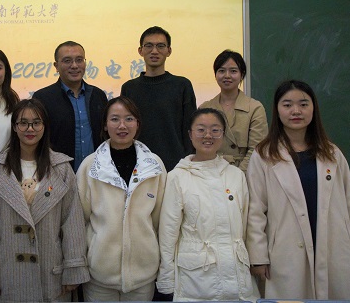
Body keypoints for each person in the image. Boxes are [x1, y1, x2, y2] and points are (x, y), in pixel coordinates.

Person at [246, 80, 350, 300]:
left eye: (303, 104)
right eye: (287, 105)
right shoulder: (264, 155)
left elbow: (349, 208)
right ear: (277, 110)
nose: (296, 111)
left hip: (333, 246)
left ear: (313, 108)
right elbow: (255, 211)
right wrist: (258, 257)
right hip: (286, 249)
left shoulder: (332, 154)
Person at [0, 99, 90, 302]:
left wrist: (73, 267)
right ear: (14, 127)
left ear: (44, 126)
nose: (30, 129)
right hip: (9, 272)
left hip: (51, 272)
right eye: (23, 123)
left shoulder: (61, 168)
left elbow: (72, 222)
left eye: (36, 123)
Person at [157, 107, 258, 302]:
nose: (208, 135)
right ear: (190, 134)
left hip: (238, 278)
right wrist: (167, 279)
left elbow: (246, 226)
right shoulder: (177, 177)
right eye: (201, 130)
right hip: (196, 282)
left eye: (215, 130)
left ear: (223, 134)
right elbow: (168, 234)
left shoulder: (236, 175)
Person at [77, 96, 167, 301]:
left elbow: (160, 219)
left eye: (129, 119)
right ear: (105, 125)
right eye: (115, 119)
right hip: (99, 275)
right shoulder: (90, 166)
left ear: (138, 124)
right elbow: (80, 219)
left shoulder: (153, 165)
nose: (122, 126)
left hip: (143, 274)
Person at [121, 26, 196, 173]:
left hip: (176, 167)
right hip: (138, 166)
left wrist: (187, 164)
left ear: (169, 51)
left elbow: (190, 128)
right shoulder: (129, 88)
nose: (154, 51)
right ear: (140, 50)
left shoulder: (182, 85)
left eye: (160, 46)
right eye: (149, 46)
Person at [33, 41, 108, 171]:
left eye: (79, 60)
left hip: (97, 172)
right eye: (67, 61)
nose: (74, 66)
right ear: (56, 66)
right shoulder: (42, 98)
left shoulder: (98, 95)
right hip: (57, 172)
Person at [199, 50, 268, 171]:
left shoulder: (255, 108)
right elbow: (199, 146)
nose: (227, 75)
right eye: (221, 71)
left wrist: (238, 175)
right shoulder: (205, 108)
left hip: (244, 172)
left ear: (242, 75)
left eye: (233, 71)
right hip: (210, 171)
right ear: (215, 75)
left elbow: (256, 150)